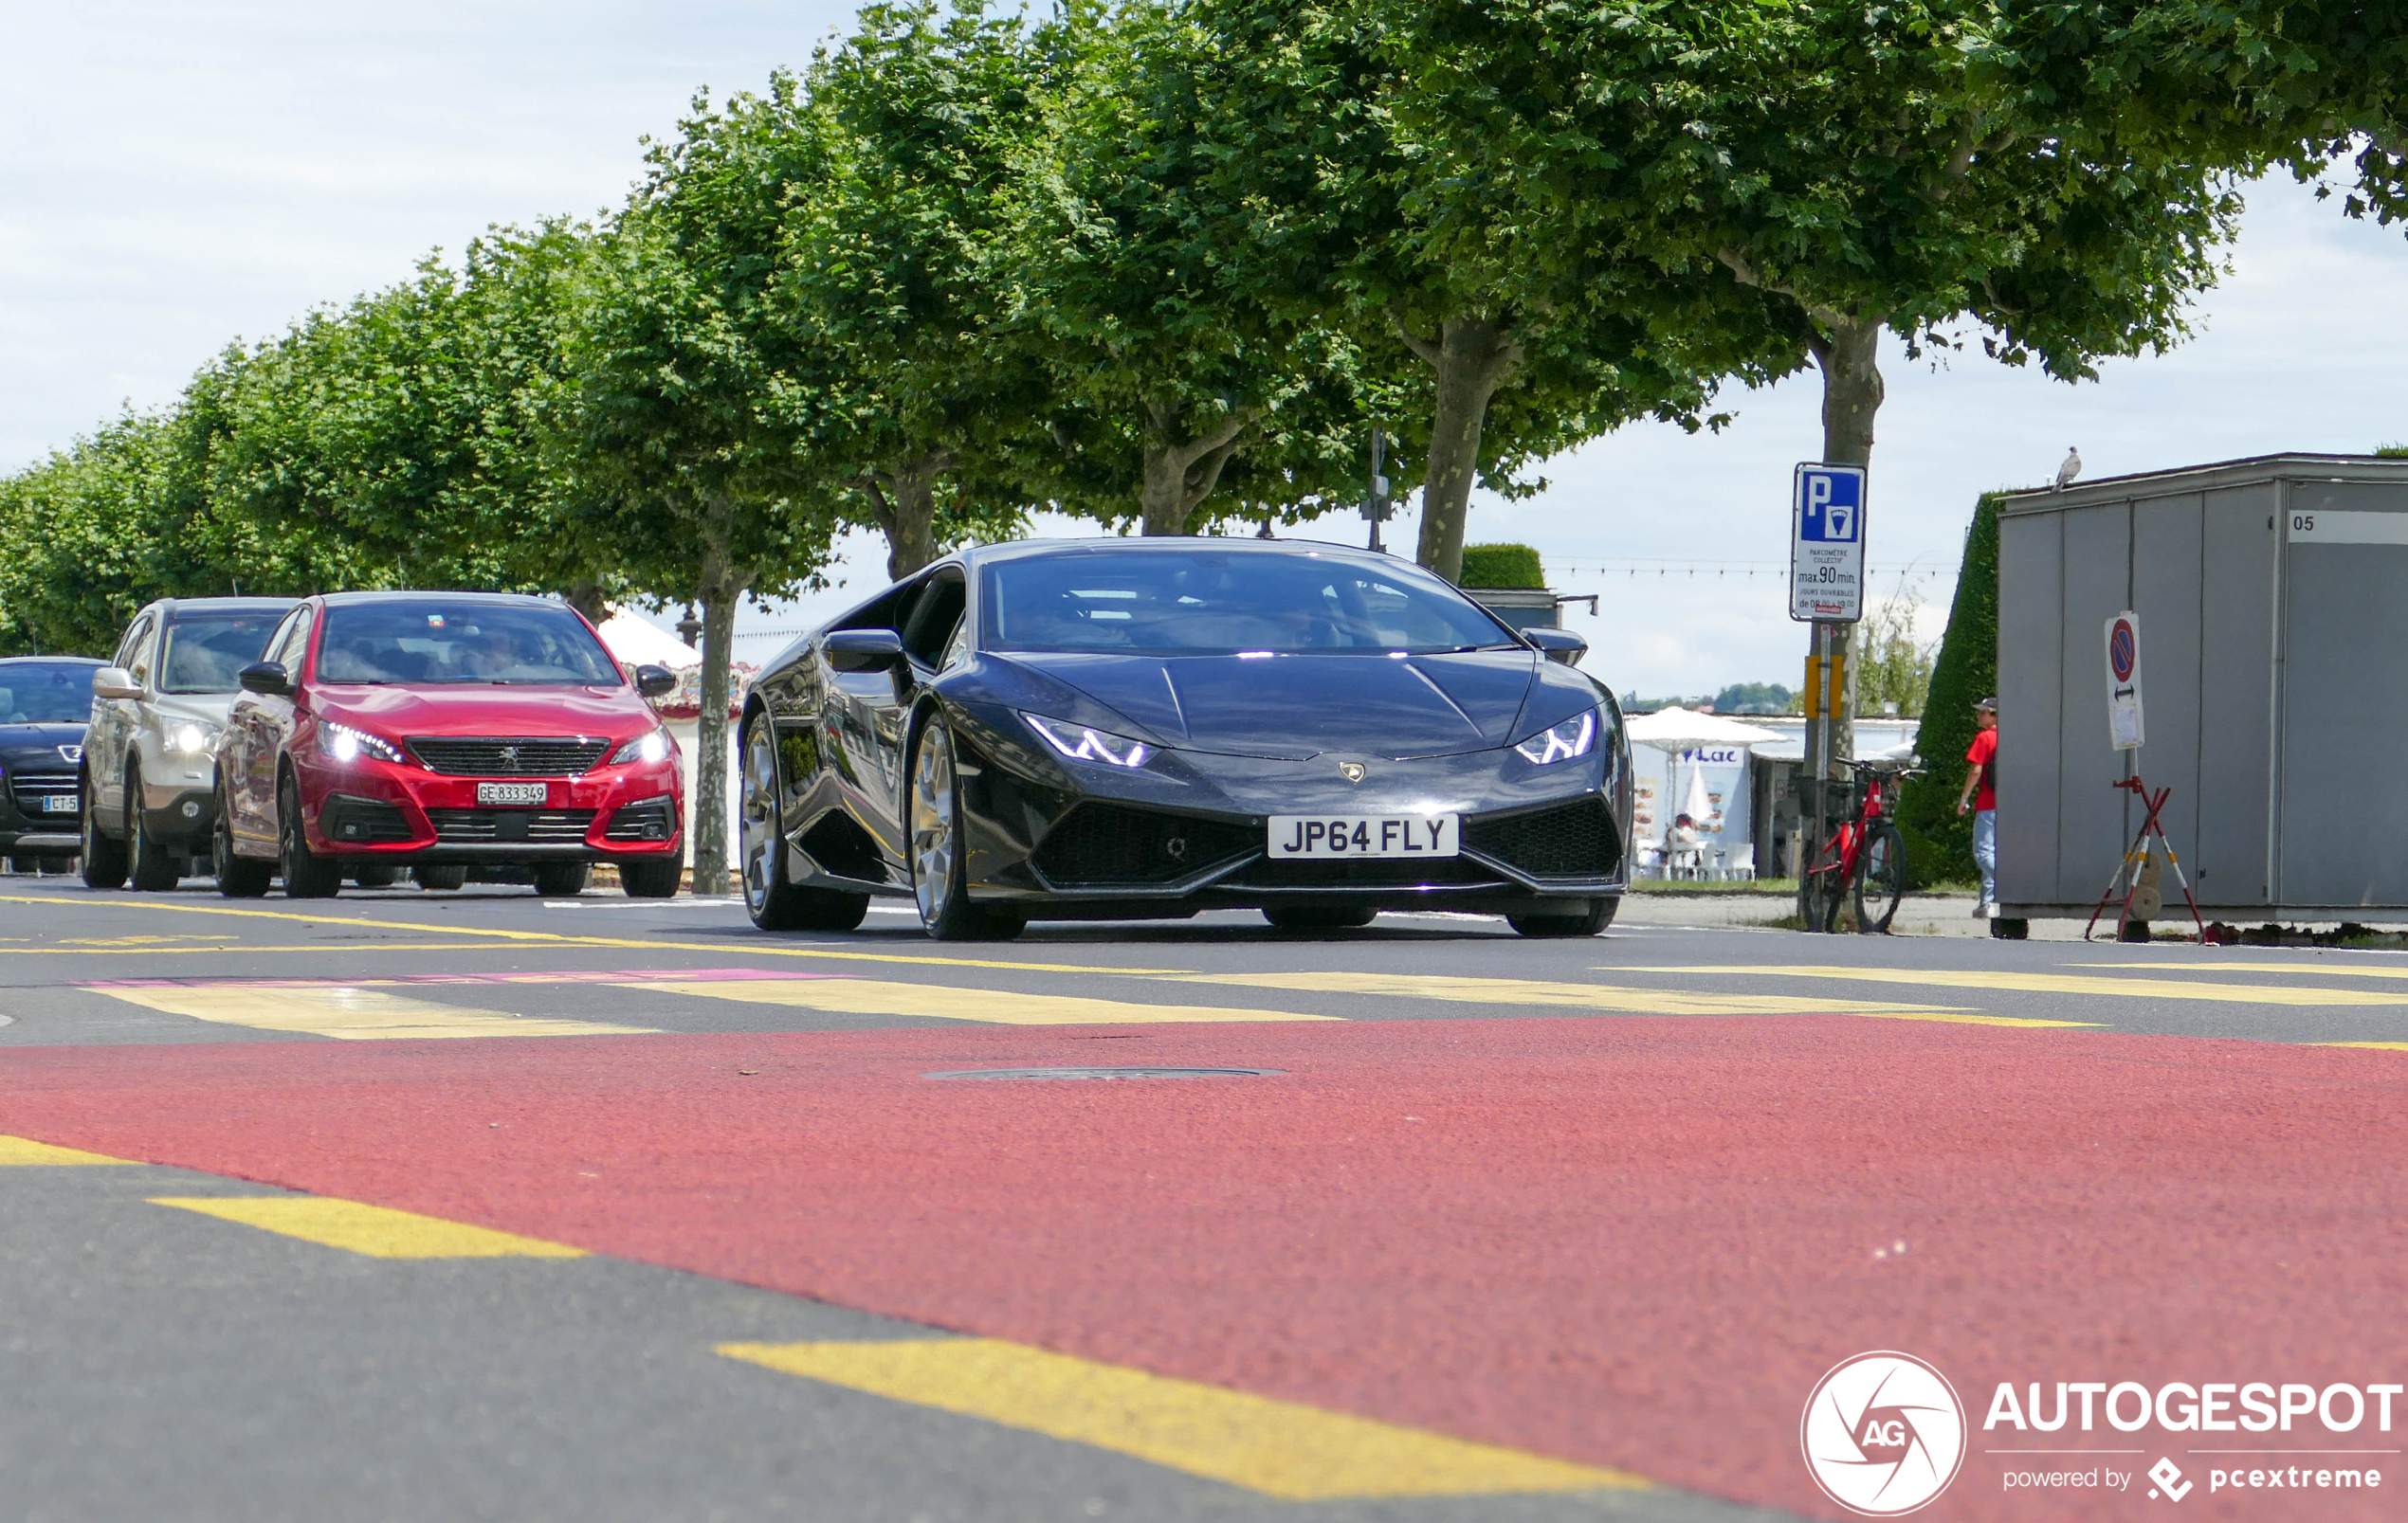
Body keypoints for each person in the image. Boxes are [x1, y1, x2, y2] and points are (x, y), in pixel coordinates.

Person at [1956, 696, 1999, 916]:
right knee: (1995, 852)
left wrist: (1964, 799)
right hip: (2008, 803)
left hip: (1987, 802)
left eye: (1983, 712)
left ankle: (2007, 880)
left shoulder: (1985, 738)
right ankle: (1987, 902)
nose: (1979, 715)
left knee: (1983, 852)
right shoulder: (2009, 737)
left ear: (1994, 715)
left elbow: (1976, 770)